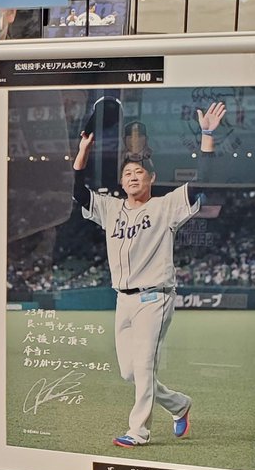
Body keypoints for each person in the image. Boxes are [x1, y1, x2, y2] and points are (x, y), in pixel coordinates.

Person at [71, 101, 226, 447]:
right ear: (121, 180)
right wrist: (82, 152)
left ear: (152, 178)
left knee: (142, 367)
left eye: (139, 172)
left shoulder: (165, 206)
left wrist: (207, 135)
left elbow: (204, 180)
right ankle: (179, 404)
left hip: (155, 297)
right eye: (127, 173)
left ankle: (138, 431)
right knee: (130, 372)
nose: (132, 176)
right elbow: (78, 192)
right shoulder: (110, 208)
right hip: (122, 301)